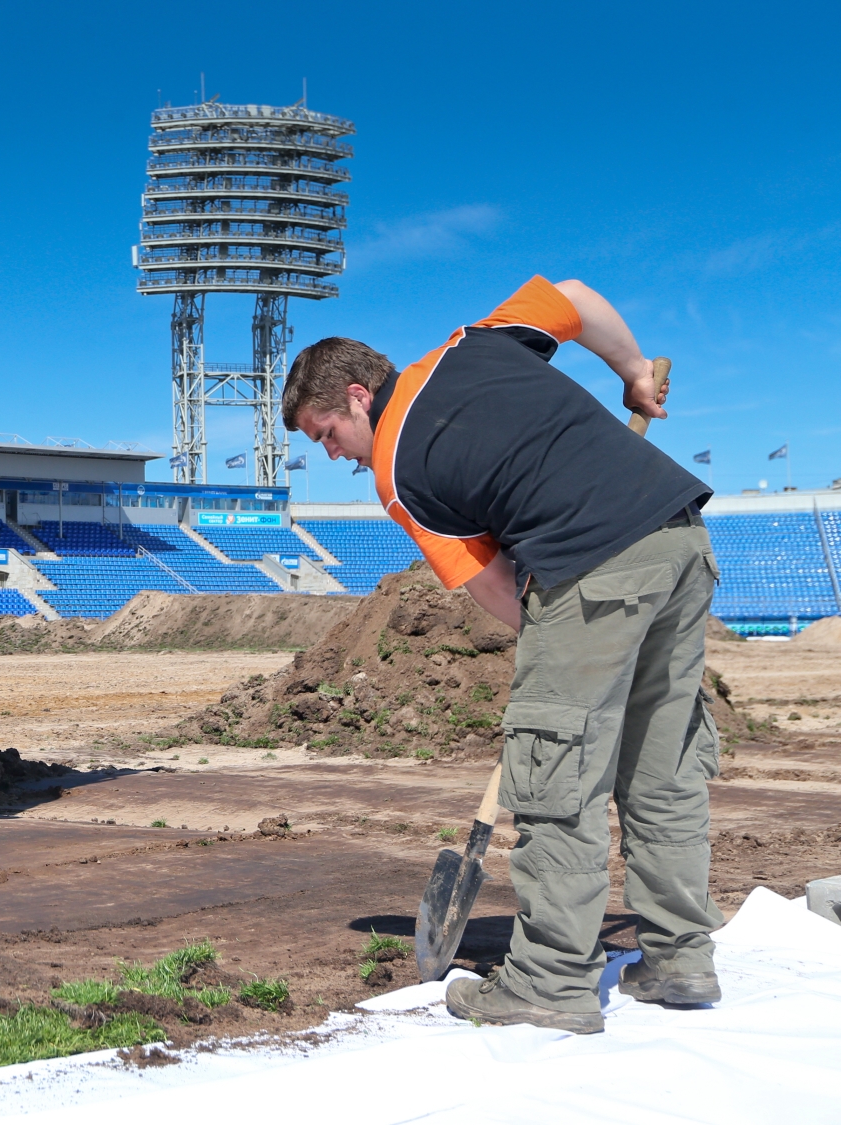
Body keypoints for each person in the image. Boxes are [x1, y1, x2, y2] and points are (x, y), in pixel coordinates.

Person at [283, 276, 721, 1034]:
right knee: (662, 767)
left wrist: (559, 646)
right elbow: (575, 296)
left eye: (325, 433)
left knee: (556, 779)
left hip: (588, 566)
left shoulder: (397, 472)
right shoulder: (476, 343)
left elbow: (494, 586)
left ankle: (551, 980)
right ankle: (681, 957)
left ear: (357, 396)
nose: (330, 452)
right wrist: (633, 372)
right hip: (680, 541)